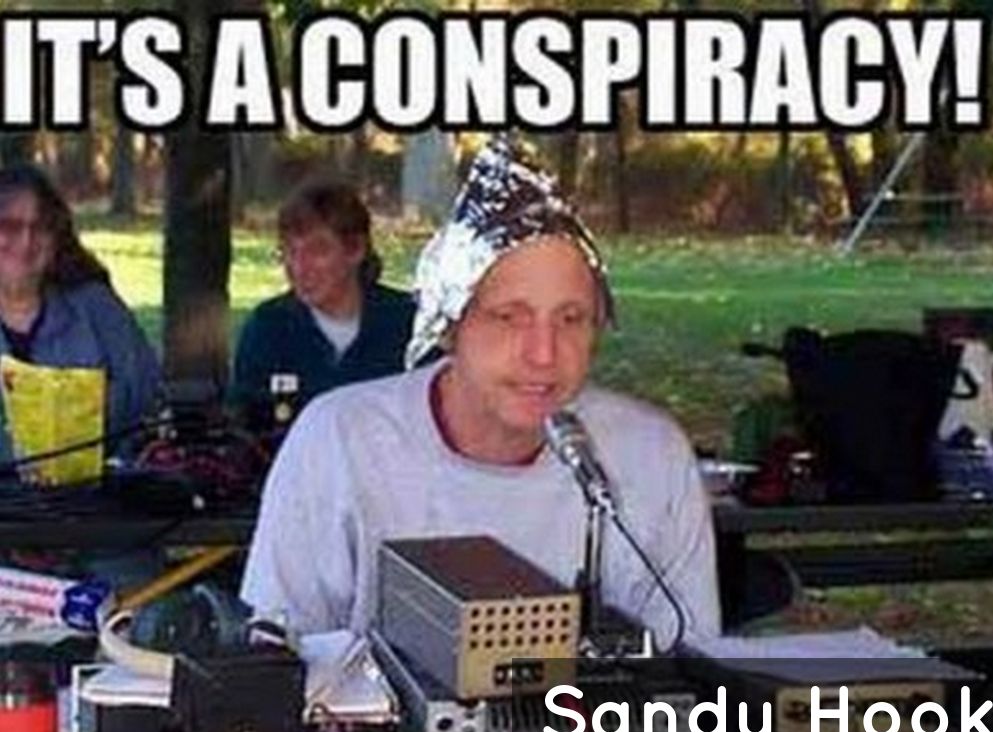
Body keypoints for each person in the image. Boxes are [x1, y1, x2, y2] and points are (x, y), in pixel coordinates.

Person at [241, 138, 721, 652]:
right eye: (508, 317)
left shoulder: (652, 455)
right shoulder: (337, 440)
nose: (544, 354)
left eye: (571, 319)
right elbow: (277, 656)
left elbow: (694, 667)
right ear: (450, 328)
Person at [0, 164, 160, 464]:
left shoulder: (97, 309)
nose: (26, 241)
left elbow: (149, 403)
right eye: (9, 226)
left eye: (41, 227)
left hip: (93, 489)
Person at [231, 178, 415, 430]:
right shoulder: (268, 328)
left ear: (356, 250)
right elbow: (243, 426)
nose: (300, 267)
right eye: (290, 251)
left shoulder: (406, 323)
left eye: (317, 251)